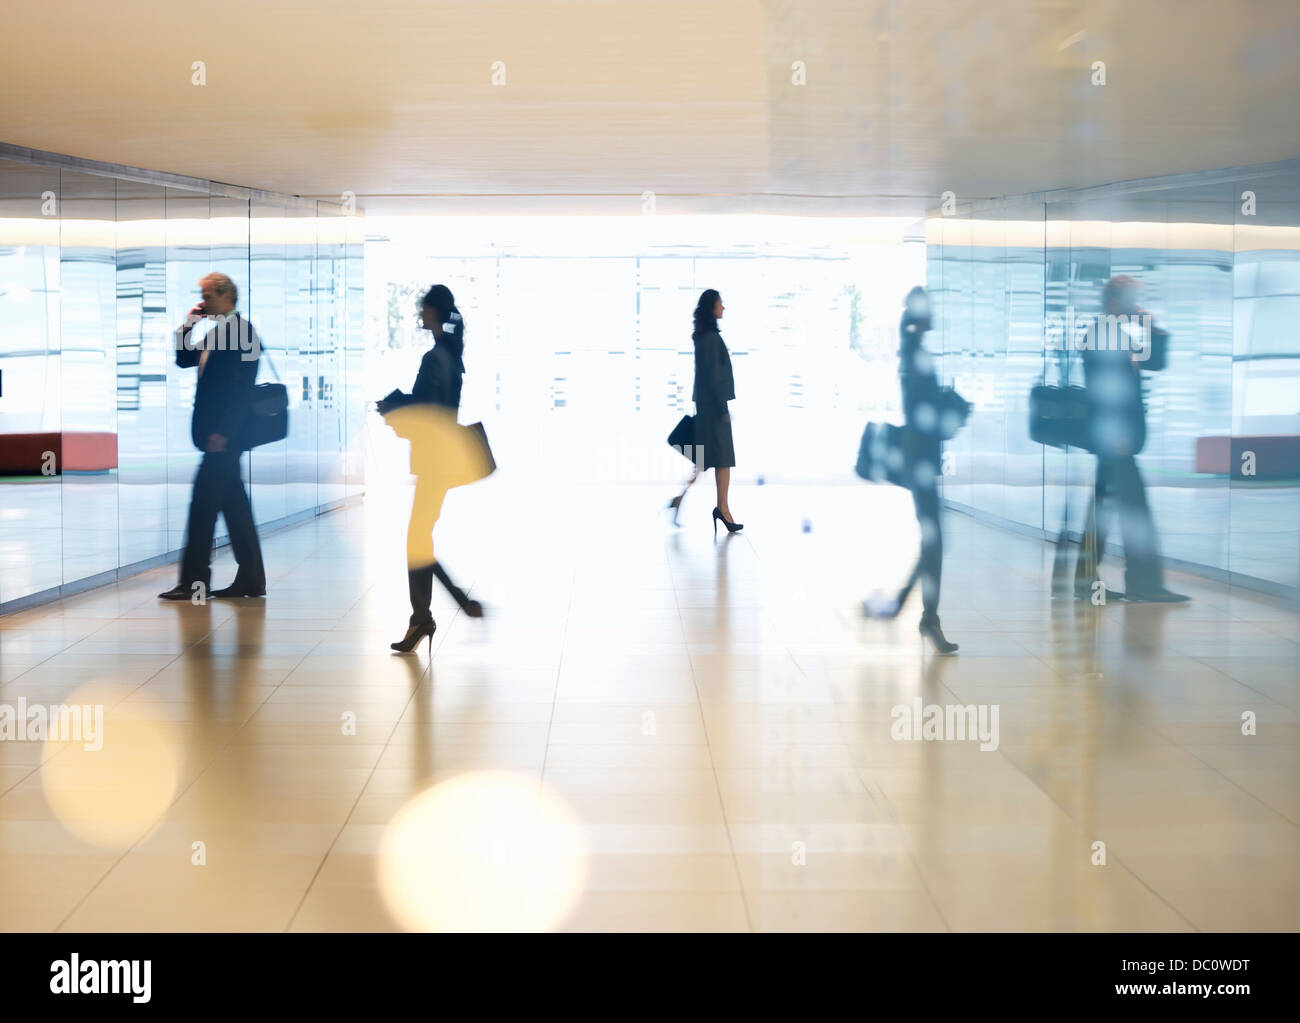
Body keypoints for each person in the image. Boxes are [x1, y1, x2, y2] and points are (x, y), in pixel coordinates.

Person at [376, 284, 485, 653]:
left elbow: (428, 409)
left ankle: (430, 614)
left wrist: (393, 404)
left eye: (424, 308)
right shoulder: (451, 354)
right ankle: (430, 613)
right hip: (438, 458)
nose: (421, 313)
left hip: (434, 458)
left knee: (417, 538)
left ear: (435, 312)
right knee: (419, 537)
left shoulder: (436, 357)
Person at [1073, 275, 1188, 603]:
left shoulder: (1114, 333)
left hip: (1115, 442)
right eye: (1132, 297)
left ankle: (1089, 584)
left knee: (1105, 513)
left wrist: (1151, 326)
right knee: (1133, 513)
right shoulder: (1103, 334)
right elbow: (1107, 392)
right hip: (1116, 441)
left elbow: (1155, 362)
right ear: (1115, 300)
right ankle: (1143, 583)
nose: (1137, 303)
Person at [159, 273, 267, 601]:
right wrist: (190, 323)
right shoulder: (219, 332)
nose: (203, 301)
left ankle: (194, 582)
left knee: (202, 509)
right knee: (235, 509)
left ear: (226, 295)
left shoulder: (242, 332)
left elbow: (240, 390)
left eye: (207, 295)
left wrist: (224, 432)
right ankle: (251, 579)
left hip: (224, 439)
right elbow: (183, 358)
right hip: (218, 437)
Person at [893, 287, 958, 654]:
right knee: (935, 540)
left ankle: (916, 608)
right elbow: (921, 409)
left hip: (922, 458)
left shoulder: (913, 349)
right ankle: (924, 616)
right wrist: (946, 404)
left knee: (934, 540)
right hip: (920, 459)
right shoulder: (916, 353)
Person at [688, 289, 742, 536]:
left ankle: (720, 507)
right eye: (720, 304)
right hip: (714, 409)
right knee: (718, 459)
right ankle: (722, 509)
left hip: (709, 406)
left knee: (711, 461)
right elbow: (713, 377)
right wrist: (722, 408)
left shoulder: (705, 337)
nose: (724, 308)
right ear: (711, 308)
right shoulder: (709, 338)